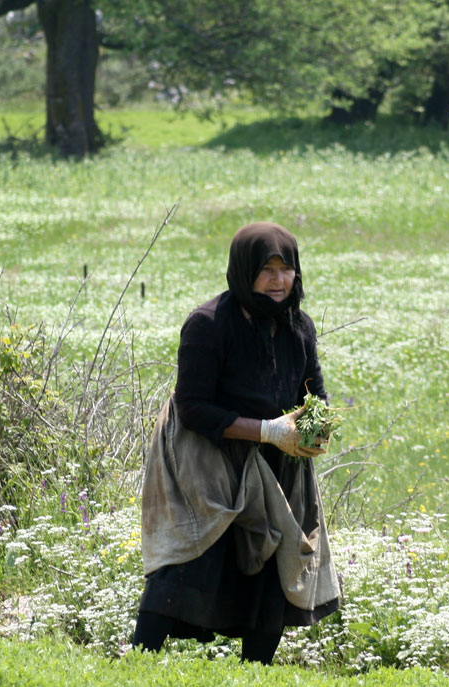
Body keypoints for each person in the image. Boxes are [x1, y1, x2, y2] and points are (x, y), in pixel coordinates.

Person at [133, 222, 341, 664]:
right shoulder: (209, 324)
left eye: (286, 269)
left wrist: (315, 427)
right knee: (191, 555)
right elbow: (193, 408)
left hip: (276, 460)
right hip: (206, 460)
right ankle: (139, 659)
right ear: (244, 271)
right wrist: (267, 430)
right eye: (267, 269)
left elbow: (314, 392)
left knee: (271, 557)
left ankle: (255, 673)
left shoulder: (298, 327)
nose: (278, 280)